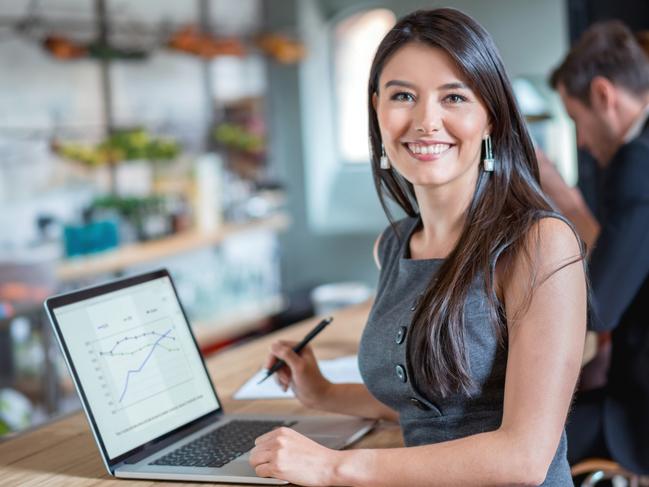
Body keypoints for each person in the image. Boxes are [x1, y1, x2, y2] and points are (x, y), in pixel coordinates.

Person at [249, 8, 587, 486]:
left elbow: (524, 458)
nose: (427, 121)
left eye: (454, 97)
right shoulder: (393, 246)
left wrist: (333, 467)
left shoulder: (539, 243)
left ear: (489, 116)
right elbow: (432, 401)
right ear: (378, 111)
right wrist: (321, 392)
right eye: (403, 96)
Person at [541, 20, 649, 475]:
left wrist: (561, 199)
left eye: (576, 122)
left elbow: (599, 305)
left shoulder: (637, 161)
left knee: (524, 440)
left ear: (604, 96)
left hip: (638, 416)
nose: (582, 141)